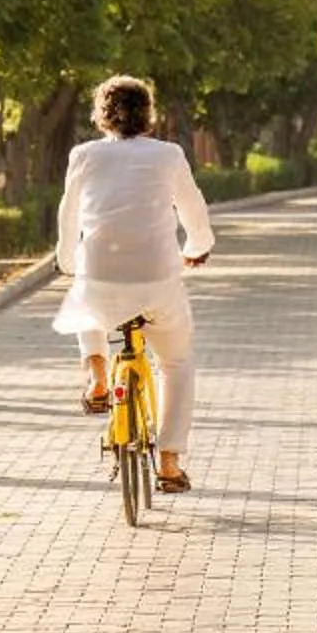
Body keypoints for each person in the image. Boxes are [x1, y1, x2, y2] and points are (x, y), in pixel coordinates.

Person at [53, 72, 215, 492]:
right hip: (157, 278)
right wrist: (198, 245)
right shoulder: (168, 155)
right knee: (176, 363)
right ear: (149, 115)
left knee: (85, 293)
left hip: (101, 276)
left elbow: (68, 215)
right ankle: (169, 461)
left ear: (101, 116)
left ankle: (98, 376)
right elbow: (193, 210)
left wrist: (67, 260)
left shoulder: (83, 155)